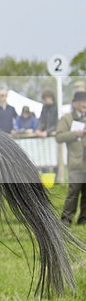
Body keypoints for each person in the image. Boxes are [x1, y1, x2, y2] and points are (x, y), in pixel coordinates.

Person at [56, 91, 86, 225]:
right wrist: (75, 134)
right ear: (75, 104)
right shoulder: (67, 119)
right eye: (81, 102)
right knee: (74, 191)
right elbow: (59, 137)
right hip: (76, 161)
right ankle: (66, 219)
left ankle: (83, 219)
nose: (84, 104)